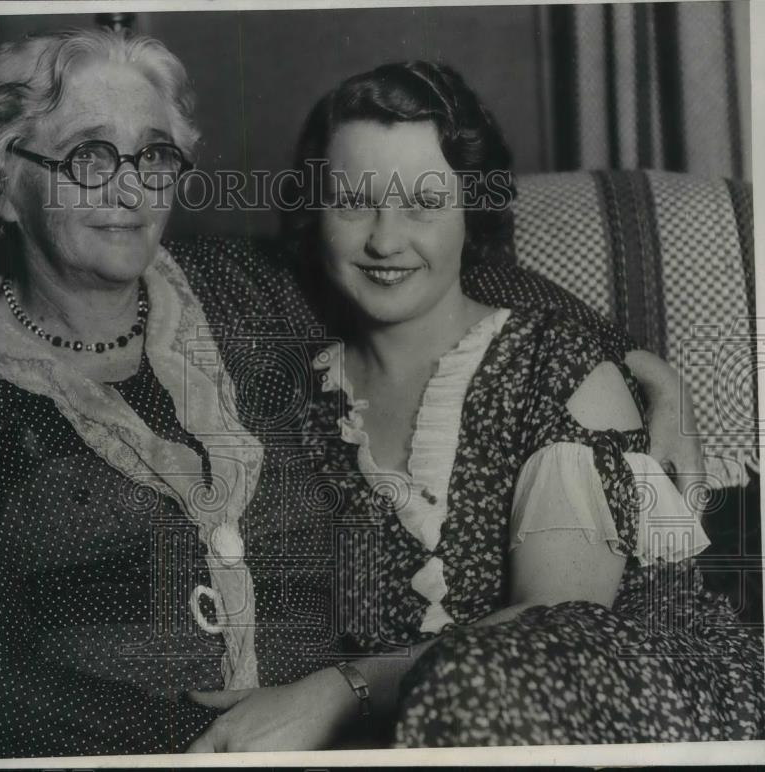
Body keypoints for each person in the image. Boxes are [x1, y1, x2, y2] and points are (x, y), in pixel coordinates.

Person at [0, 28, 707, 757]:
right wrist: (213, 745)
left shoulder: (239, 291)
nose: (131, 190)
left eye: (156, 155)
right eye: (90, 156)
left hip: (367, 727)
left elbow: (440, 268)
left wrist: (645, 367)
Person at [183, 60, 764, 752]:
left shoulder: (557, 366)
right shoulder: (299, 396)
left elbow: (555, 623)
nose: (385, 239)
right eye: (352, 202)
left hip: (641, 700)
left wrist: (339, 693)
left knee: (477, 680)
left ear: (471, 212)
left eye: (424, 205)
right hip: (434, 732)